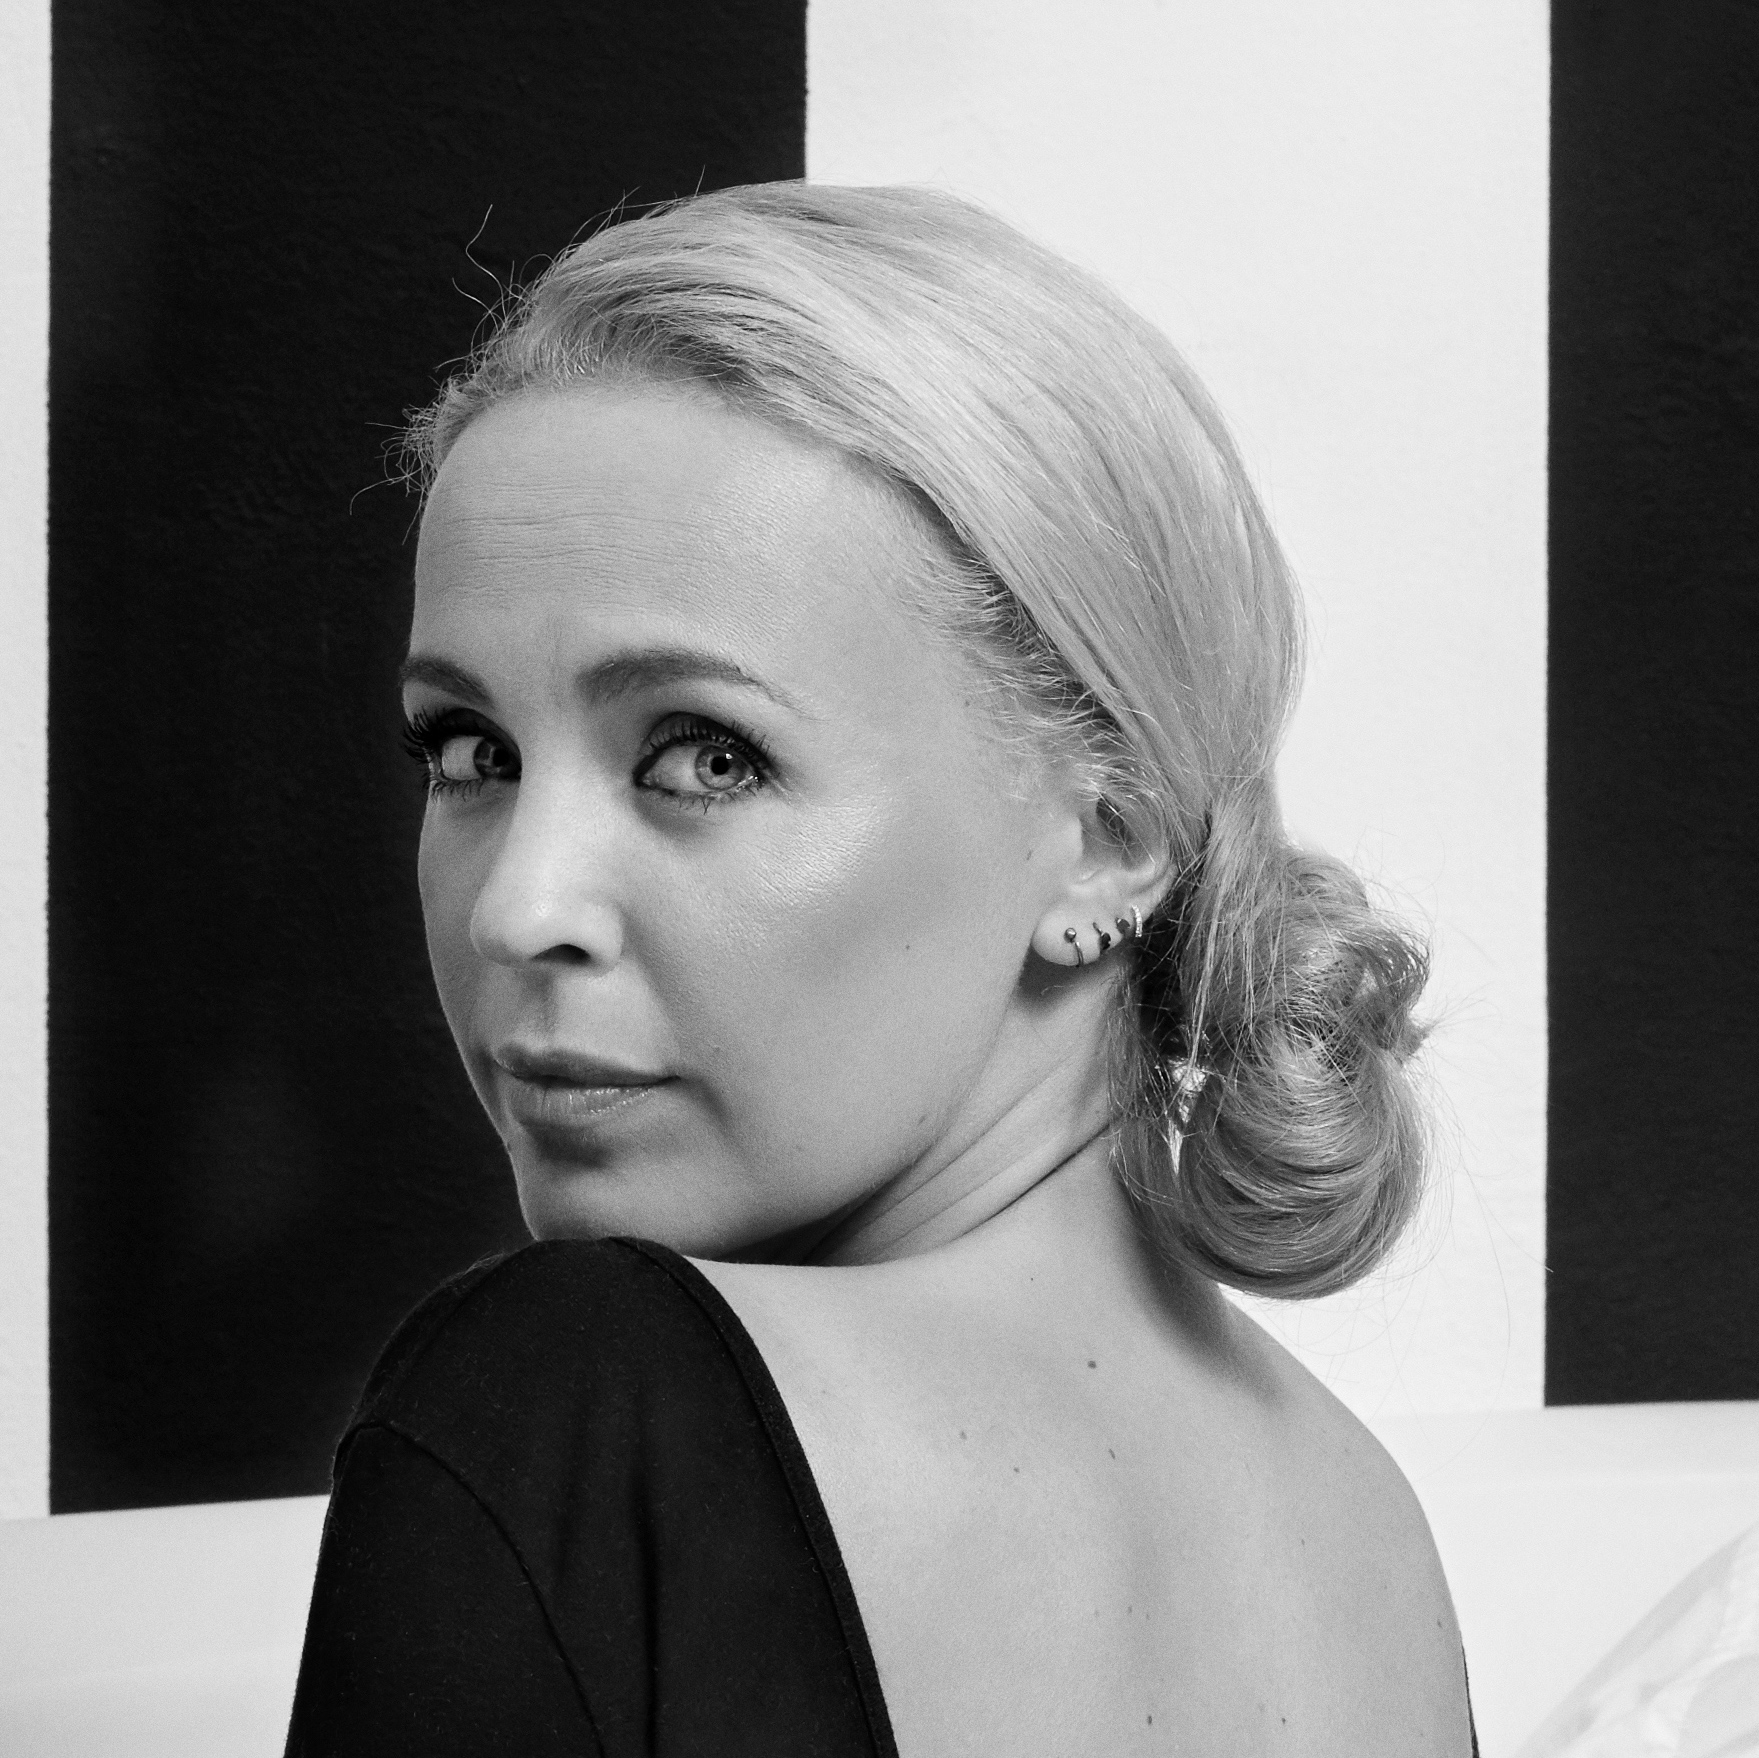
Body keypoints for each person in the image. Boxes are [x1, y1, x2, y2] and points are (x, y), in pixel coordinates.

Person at [285, 181, 1475, 1756]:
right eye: (469, 750)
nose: (519, 907)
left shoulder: (570, 1410)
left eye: (706, 757)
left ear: (1109, 836)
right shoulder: (1374, 1539)